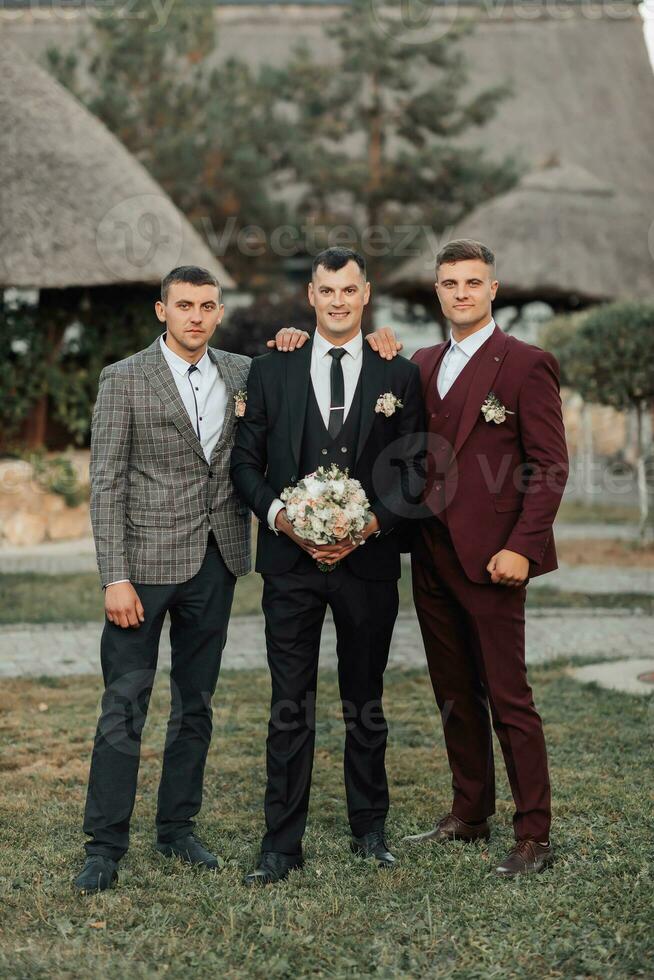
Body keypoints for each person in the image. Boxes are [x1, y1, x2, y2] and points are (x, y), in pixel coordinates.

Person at [230, 247, 425, 886]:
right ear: (310, 297)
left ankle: (370, 828)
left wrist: (372, 524)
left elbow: (416, 470)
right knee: (291, 701)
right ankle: (281, 843)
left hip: (368, 567)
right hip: (290, 565)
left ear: (365, 294)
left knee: (364, 699)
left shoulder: (398, 374)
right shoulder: (270, 369)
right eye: (325, 291)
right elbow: (244, 465)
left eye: (348, 290)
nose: (337, 301)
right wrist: (282, 519)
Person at [74, 266, 253, 893]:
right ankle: (104, 845)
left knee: (195, 705)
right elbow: (106, 485)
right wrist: (113, 575)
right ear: (162, 311)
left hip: (216, 561)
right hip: (141, 571)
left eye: (207, 306)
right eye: (184, 305)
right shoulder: (123, 379)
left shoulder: (242, 373)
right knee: (124, 706)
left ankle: (178, 828)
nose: (196, 316)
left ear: (220, 311)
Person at [404, 239, 568, 876]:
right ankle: (470, 811)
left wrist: (522, 549)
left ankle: (534, 832)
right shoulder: (421, 363)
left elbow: (549, 467)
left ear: (493, 289)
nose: (462, 292)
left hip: (496, 558)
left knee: (509, 695)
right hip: (430, 552)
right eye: (450, 283)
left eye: (474, 282)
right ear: (438, 291)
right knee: (452, 690)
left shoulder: (526, 364)